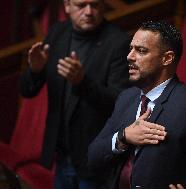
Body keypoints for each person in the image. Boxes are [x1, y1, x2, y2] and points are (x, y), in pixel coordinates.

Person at [87, 20, 186, 189]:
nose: (130, 56)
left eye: (141, 51)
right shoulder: (127, 98)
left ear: (167, 58)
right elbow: (92, 156)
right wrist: (123, 137)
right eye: (131, 48)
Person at [19, 0, 130, 188]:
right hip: (62, 154)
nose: (88, 12)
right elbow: (27, 91)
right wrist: (35, 70)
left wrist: (82, 82)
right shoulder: (57, 33)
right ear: (67, 6)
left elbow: (121, 104)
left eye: (94, 5)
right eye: (81, 5)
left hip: (95, 159)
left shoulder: (119, 43)